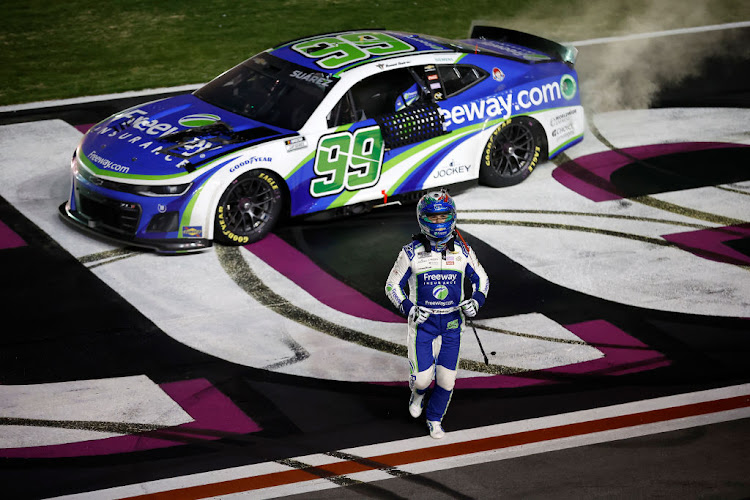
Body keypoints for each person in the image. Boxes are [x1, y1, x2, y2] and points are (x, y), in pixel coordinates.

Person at [385, 190, 490, 439]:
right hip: (423, 324)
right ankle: (418, 393)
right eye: (434, 217)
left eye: (444, 217)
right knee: (422, 380)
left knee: (446, 380)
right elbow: (391, 285)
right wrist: (410, 308)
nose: (440, 222)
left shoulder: (464, 251)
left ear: (452, 217)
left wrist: (477, 300)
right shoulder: (410, 252)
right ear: (423, 219)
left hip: (452, 323)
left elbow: (482, 279)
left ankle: (434, 418)